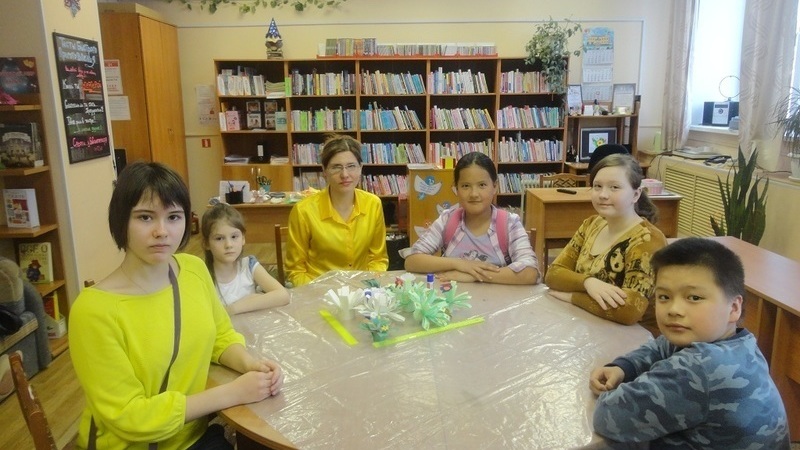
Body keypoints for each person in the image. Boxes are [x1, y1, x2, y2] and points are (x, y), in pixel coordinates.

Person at [69, 162, 284, 449]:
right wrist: (233, 393)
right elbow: (128, 416)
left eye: (173, 217)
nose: (162, 231)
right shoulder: (93, 311)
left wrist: (250, 364)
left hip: (194, 435)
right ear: (121, 221)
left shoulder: (193, 270)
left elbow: (220, 336)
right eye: (145, 217)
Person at [590, 237, 790, 449]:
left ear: (734, 308)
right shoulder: (742, 341)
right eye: (664, 297)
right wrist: (624, 367)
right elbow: (662, 345)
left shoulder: (699, 368)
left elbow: (607, 417)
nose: (674, 309)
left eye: (694, 298)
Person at [545, 153, 666, 332]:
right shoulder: (591, 224)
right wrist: (588, 283)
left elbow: (629, 311)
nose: (603, 195)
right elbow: (553, 275)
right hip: (588, 324)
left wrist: (572, 297)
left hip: (634, 336)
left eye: (614, 187)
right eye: (597, 186)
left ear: (636, 194)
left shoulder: (647, 240)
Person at [404, 151, 540, 285]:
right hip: (453, 297)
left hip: (497, 298)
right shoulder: (447, 219)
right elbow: (412, 261)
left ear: (495, 187)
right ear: (456, 189)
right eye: (465, 186)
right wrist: (460, 264)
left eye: (482, 185)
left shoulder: (509, 223)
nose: (474, 194)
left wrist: (474, 275)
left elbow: (530, 272)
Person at [286, 134, 388, 286]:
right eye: (336, 167)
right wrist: (319, 292)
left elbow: (378, 259)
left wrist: (367, 285)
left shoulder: (373, 204)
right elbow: (296, 270)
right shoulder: (303, 211)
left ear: (360, 168)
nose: (345, 175)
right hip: (318, 290)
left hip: (361, 288)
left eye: (351, 166)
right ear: (324, 171)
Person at [201, 203, 289, 314]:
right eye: (219, 238)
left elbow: (283, 295)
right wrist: (254, 300)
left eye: (234, 237)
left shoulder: (249, 265)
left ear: (243, 238)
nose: (228, 245)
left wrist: (234, 308)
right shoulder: (202, 276)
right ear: (206, 243)